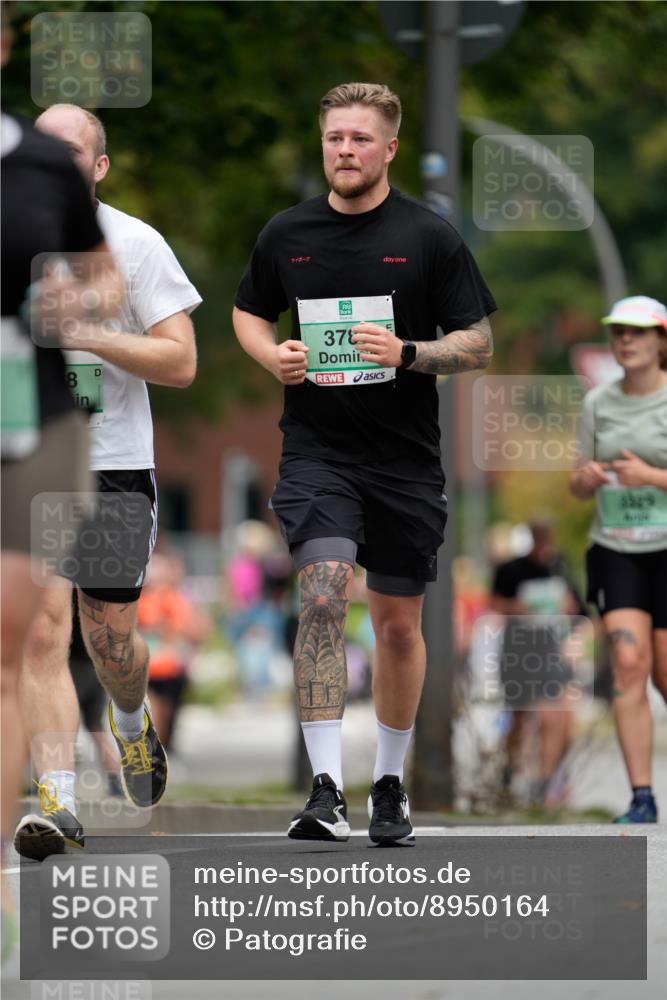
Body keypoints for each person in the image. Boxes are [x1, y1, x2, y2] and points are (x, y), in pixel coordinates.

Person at [233, 82, 495, 845]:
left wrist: (410, 352)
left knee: (397, 628)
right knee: (319, 596)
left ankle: (388, 782)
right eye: (333, 138)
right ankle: (323, 789)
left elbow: (476, 341)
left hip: (405, 463)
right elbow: (248, 310)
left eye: (358, 138)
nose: (343, 150)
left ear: (388, 149)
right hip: (317, 452)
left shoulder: (428, 236)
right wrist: (269, 355)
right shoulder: (287, 233)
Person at [13, 104, 202, 861]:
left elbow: (181, 363)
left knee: (109, 639)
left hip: (116, 463)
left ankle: (131, 721)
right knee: (39, 631)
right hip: (31, 459)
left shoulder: (134, 244)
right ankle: (56, 804)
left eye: (71, 155)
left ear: (98, 167)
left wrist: (84, 332)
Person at [570, 295, 667, 824]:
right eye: (618, 332)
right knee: (630, 664)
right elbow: (578, 483)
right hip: (616, 547)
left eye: (638, 332)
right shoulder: (598, 403)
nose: (626, 341)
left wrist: (650, 478)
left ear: (661, 342)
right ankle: (642, 797)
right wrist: (583, 480)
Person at [490, 517, 586, 806]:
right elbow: (494, 604)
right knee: (519, 716)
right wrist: (515, 608)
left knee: (554, 718)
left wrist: (571, 614)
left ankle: (545, 782)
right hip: (518, 653)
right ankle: (509, 773)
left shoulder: (560, 569)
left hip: (552, 653)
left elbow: (580, 611)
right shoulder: (510, 570)